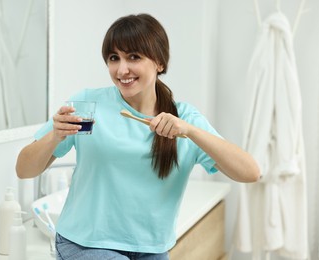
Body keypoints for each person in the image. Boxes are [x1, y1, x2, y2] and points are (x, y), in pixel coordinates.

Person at [16, 13, 260, 260]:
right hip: (85, 243)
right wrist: (55, 136)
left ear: (159, 63)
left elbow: (250, 172)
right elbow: (24, 170)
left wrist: (191, 131)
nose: (122, 69)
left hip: (151, 249)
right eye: (114, 58)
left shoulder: (184, 119)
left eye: (133, 57)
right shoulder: (88, 105)